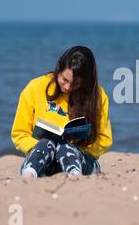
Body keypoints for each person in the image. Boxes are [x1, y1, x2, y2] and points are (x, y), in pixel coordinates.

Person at [11, 46, 112, 179]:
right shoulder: (35, 87)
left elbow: (104, 140)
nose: (67, 87)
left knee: (65, 147)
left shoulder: (97, 96)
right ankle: (29, 175)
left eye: (75, 84)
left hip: (81, 159)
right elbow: (19, 134)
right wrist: (50, 148)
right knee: (46, 144)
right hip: (44, 157)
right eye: (65, 80)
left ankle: (74, 176)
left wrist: (77, 147)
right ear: (59, 69)